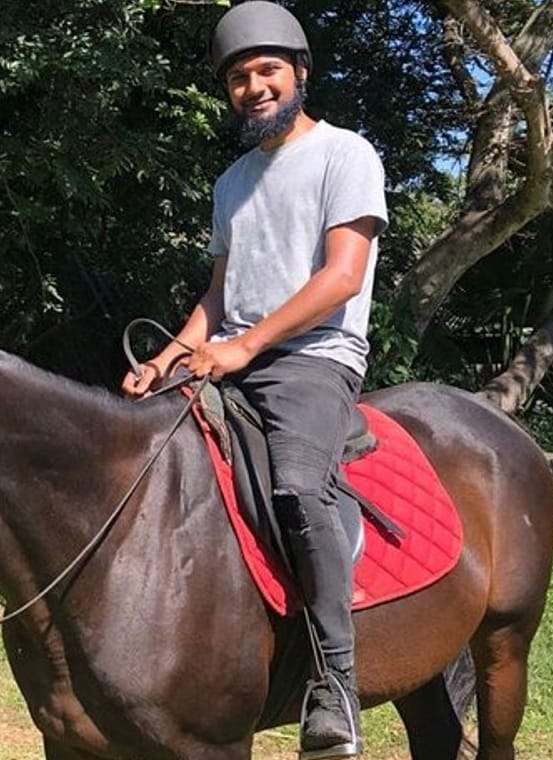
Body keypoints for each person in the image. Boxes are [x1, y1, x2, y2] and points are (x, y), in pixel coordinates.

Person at [120, 2, 387, 757]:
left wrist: (248, 347)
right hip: (229, 355)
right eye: (239, 77)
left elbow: (341, 278)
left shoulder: (346, 155)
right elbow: (218, 295)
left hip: (315, 359)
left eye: (267, 70)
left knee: (300, 485)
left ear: (300, 73)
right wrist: (170, 357)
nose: (253, 86)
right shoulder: (232, 181)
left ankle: (335, 681)